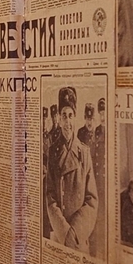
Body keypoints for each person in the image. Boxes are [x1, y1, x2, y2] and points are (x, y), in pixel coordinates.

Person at [45, 86, 98, 252]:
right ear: (59, 120)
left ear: (75, 118)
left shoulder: (84, 153)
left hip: (78, 237)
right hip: (59, 235)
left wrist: (74, 233)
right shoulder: (53, 152)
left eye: (70, 116)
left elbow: (91, 200)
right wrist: (64, 232)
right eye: (64, 116)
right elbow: (50, 195)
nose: (67, 122)